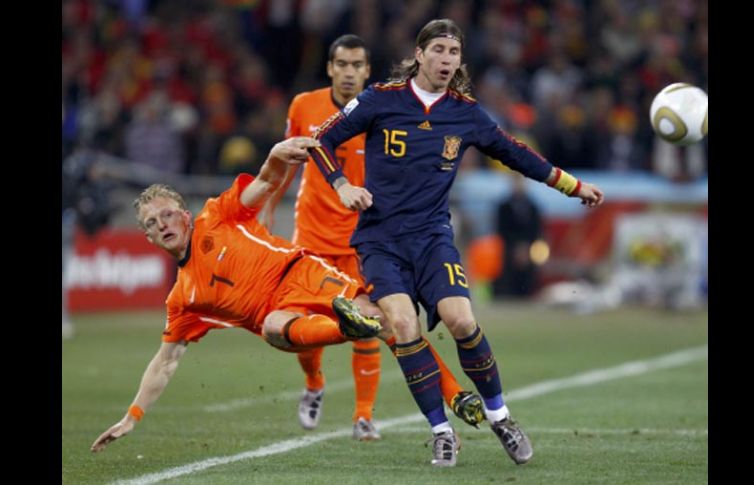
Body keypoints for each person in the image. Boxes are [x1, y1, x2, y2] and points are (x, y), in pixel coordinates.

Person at [308, 19, 605, 467]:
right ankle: (442, 431)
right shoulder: (380, 100)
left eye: (454, 53)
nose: (447, 60)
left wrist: (571, 185)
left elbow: (515, 153)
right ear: (420, 53)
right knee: (404, 328)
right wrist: (341, 185)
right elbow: (321, 141)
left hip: (432, 239)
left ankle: (501, 417)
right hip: (380, 240)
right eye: (440, 50)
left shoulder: (465, 113)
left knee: (461, 320)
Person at [90, 137, 385, 453]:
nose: (162, 224)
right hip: (279, 319)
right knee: (273, 327)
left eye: (167, 214)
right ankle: (345, 330)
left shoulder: (215, 215)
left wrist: (274, 155)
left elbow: (265, 181)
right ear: (149, 238)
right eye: (152, 223)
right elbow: (165, 362)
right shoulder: (182, 300)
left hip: (300, 272)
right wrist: (131, 418)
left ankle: (432, 404)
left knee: (381, 315)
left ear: (185, 216)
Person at [262, 34, 485, 440]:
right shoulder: (303, 107)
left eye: (356, 65)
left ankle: (363, 414)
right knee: (303, 324)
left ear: (367, 71)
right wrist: (268, 206)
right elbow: (289, 161)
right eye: (341, 64)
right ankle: (314, 384)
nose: (348, 72)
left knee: (375, 324)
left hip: (362, 240)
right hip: (311, 238)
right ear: (330, 68)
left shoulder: (380, 111)